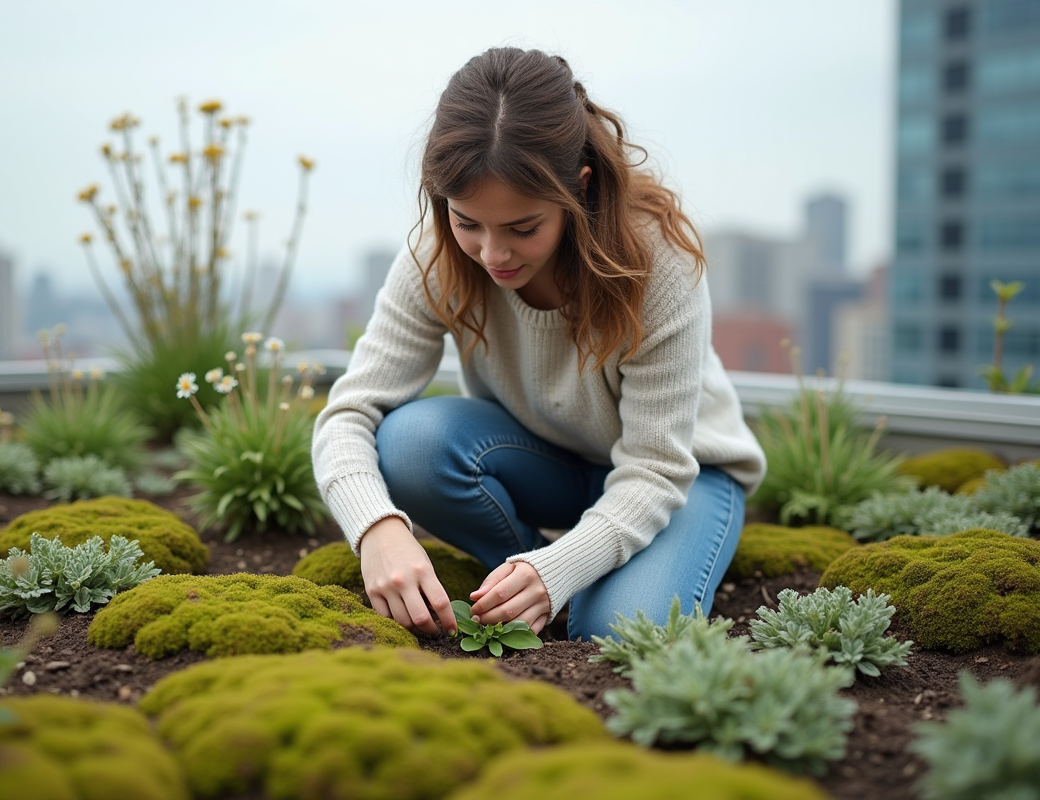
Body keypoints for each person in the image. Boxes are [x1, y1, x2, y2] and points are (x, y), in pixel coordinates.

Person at [311, 47, 766, 642]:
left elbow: (656, 469)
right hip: (548, 466)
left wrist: (562, 569)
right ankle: (521, 587)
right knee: (413, 442)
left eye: (523, 228)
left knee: (620, 632)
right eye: (466, 220)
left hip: (682, 476)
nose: (493, 254)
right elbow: (348, 414)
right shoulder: (436, 258)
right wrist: (376, 528)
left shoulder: (657, 263)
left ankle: (554, 585)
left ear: (578, 188)